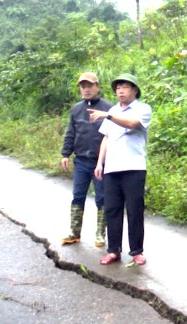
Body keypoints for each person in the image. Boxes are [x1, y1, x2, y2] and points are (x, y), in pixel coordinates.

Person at [91, 73, 152, 266]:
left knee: (134, 209)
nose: (121, 91)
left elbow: (133, 124)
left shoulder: (142, 109)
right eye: (118, 88)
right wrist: (100, 163)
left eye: (125, 87)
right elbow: (106, 137)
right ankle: (113, 250)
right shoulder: (113, 110)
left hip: (134, 167)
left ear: (134, 90)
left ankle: (136, 251)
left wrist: (108, 115)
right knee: (112, 210)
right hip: (112, 168)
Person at [60, 72, 113, 247]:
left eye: (90, 86)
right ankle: (74, 232)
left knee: (102, 198)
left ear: (97, 86)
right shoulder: (76, 109)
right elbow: (70, 133)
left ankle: (100, 234)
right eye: (83, 86)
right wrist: (65, 154)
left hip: (101, 162)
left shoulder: (108, 108)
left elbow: (113, 135)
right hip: (81, 161)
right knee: (77, 196)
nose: (86, 89)